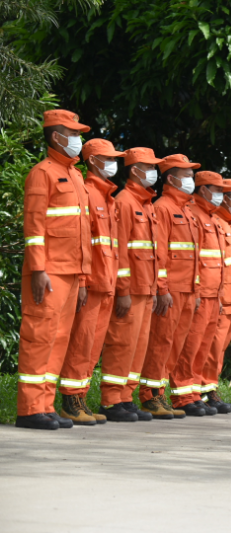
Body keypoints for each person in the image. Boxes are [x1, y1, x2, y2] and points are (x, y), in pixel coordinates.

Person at [16, 110, 93, 430]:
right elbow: (34, 227)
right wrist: (37, 269)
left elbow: (83, 233)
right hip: (48, 272)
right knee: (39, 337)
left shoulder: (75, 176)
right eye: (72, 134)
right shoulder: (42, 173)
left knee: (59, 339)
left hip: (72, 273)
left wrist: (84, 276)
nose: (77, 140)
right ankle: (29, 409)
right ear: (56, 136)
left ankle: (45, 405)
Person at [58, 139, 126, 425]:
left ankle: (81, 399)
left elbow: (114, 248)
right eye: (108, 158)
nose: (114, 163)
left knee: (92, 347)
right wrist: (83, 281)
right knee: (80, 344)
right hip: (93, 282)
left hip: (106, 284)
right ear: (93, 161)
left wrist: (116, 285)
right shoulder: (87, 193)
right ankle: (71, 401)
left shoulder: (108, 198)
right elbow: (83, 243)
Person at [138, 154, 201, 418]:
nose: (191, 179)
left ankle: (161, 392)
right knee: (161, 343)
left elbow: (194, 257)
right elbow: (160, 252)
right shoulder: (162, 207)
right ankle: (150, 395)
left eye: (192, 174)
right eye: (186, 175)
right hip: (172, 291)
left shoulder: (187, 210)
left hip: (187, 291)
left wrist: (196, 290)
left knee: (175, 345)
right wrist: (161, 288)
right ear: (172, 178)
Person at [102, 147, 162, 420]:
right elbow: (120, 251)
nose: (154, 172)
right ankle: (112, 399)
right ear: (135, 170)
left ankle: (126, 396)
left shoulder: (146, 205)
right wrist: (123, 290)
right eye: (150, 167)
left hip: (146, 288)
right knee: (122, 344)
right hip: (132, 289)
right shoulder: (125, 202)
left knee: (137, 347)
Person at [168, 171, 230, 416]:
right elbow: (193, 260)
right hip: (200, 293)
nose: (221, 196)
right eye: (216, 190)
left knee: (202, 348)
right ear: (202, 190)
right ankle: (182, 396)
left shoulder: (212, 218)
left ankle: (194, 394)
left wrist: (220, 294)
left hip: (213, 294)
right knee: (190, 346)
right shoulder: (194, 214)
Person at [198, 179, 231, 412]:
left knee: (218, 349)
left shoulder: (229, 224)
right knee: (209, 348)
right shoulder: (217, 224)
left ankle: (210, 390)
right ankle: (203, 391)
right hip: (220, 300)